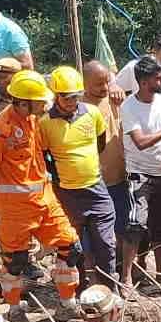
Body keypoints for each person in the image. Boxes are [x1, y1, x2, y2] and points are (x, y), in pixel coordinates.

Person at [0, 70, 82, 313]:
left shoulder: (33, 120)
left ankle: (68, 302)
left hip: (45, 200)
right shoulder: (1, 129)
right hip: (16, 208)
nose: (46, 103)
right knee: (15, 261)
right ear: (24, 102)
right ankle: (14, 308)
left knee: (71, 247)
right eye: (40, 100)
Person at [40, 66, 117, 288]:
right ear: (56, 95)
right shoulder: (45, 124)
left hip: (95, 189)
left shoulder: (92, 114)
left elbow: (100, 143)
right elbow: (45, 156)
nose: (73, 101)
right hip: (67, 193)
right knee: (73, 244)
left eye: (76, 96)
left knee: (105, 243)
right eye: (67, 97)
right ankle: (80, 286)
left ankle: (109, 288)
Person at [119, 55, 161, 286]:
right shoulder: (129, 107)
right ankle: (126, 276)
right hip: (140, 174)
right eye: (158, 78)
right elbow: (140, 142)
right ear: (144, 83)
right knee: (135, 225)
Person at [85, 61, 130, 282]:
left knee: (123, 226)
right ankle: (94, 275)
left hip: (118, 176)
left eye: (106, 82)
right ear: (84, 84)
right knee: (95, 231)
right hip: (92, 180)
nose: (104, 87)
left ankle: (122, 271)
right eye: (98, 84)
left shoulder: (115, 99)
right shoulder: (79, 106)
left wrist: (114, 85)